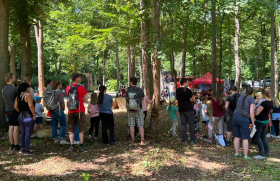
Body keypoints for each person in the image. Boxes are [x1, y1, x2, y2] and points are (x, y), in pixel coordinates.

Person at [66, 73, 88, 152]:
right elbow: (86, 99)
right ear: (76, 79)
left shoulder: (68, 87)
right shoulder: (81, 87)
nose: (81, 78)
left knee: (71, 128)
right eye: (80, 77)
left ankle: (72, 146)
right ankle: (81, 146)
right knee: (81, 128)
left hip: (70, 110)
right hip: (80, 110)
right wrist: (81, 98)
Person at [232, 86, 255, 160]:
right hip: (243, 118)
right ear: (252, 93)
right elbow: (251, 112)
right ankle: (245, 155)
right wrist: (253, 122)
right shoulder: (251, 99)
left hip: (235, 117)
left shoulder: (241, 97)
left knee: (237, 136)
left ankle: (237, 153)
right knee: (245, 137)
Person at [14, 83, 36, 155]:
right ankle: (27, 150)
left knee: (23, 132)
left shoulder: (19, 96)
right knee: (27, 133)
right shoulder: (28, 95)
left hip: (20, 116)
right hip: (28, 116)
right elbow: (31, 106)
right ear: (27, 88)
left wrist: (20, 112)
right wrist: (34, 115)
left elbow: (15, 106)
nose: (29, 89)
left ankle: (22, 148)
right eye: (29, 87)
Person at [126, 77, 147, 145]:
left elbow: (126, 99)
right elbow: (143, 98)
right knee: (140, 124)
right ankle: (142, 140)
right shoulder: (140, 90)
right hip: (138, 108)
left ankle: (132, 139)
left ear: (131, 82)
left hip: (130, 109)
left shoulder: (128, 90)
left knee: (131, 124)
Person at [2, 73, 20, 151]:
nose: (14, 79)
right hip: (15, 110)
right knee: (16, 127)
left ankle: (11, 145)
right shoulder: (15, 89)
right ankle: (16, 145)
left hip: (7, 110)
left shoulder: (3, 89)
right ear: (10, 79)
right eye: (13, 78)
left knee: (10, 127)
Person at [254, 88, 273, 159]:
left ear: (264, 94)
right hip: (266, 121)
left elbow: (257, 113)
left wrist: (253, 110)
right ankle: (267, 152)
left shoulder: (264, 103)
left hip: (260, 121)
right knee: (263, 137)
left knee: (258, 137)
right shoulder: (271, 102)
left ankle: (262, 154)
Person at [176, 78, 196, 144]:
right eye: (187, 82)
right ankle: (192, 139)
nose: (188, 83)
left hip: (182, 109)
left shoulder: (177, 90)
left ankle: (185, 139)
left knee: (183, 125)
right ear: (184, 82)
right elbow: (192, 100)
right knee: (191, 124)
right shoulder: (188, 91)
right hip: (189, 109)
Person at [50, 80, 69, 144]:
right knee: (63, 124)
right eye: (60, 84)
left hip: (52, 110)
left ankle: (55, 138)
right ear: (58, 85)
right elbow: (62, 102)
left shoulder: (51, 92)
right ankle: (62, 139)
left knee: (54, 124)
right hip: (58, 110)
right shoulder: (59, 92)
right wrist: (63, 109)